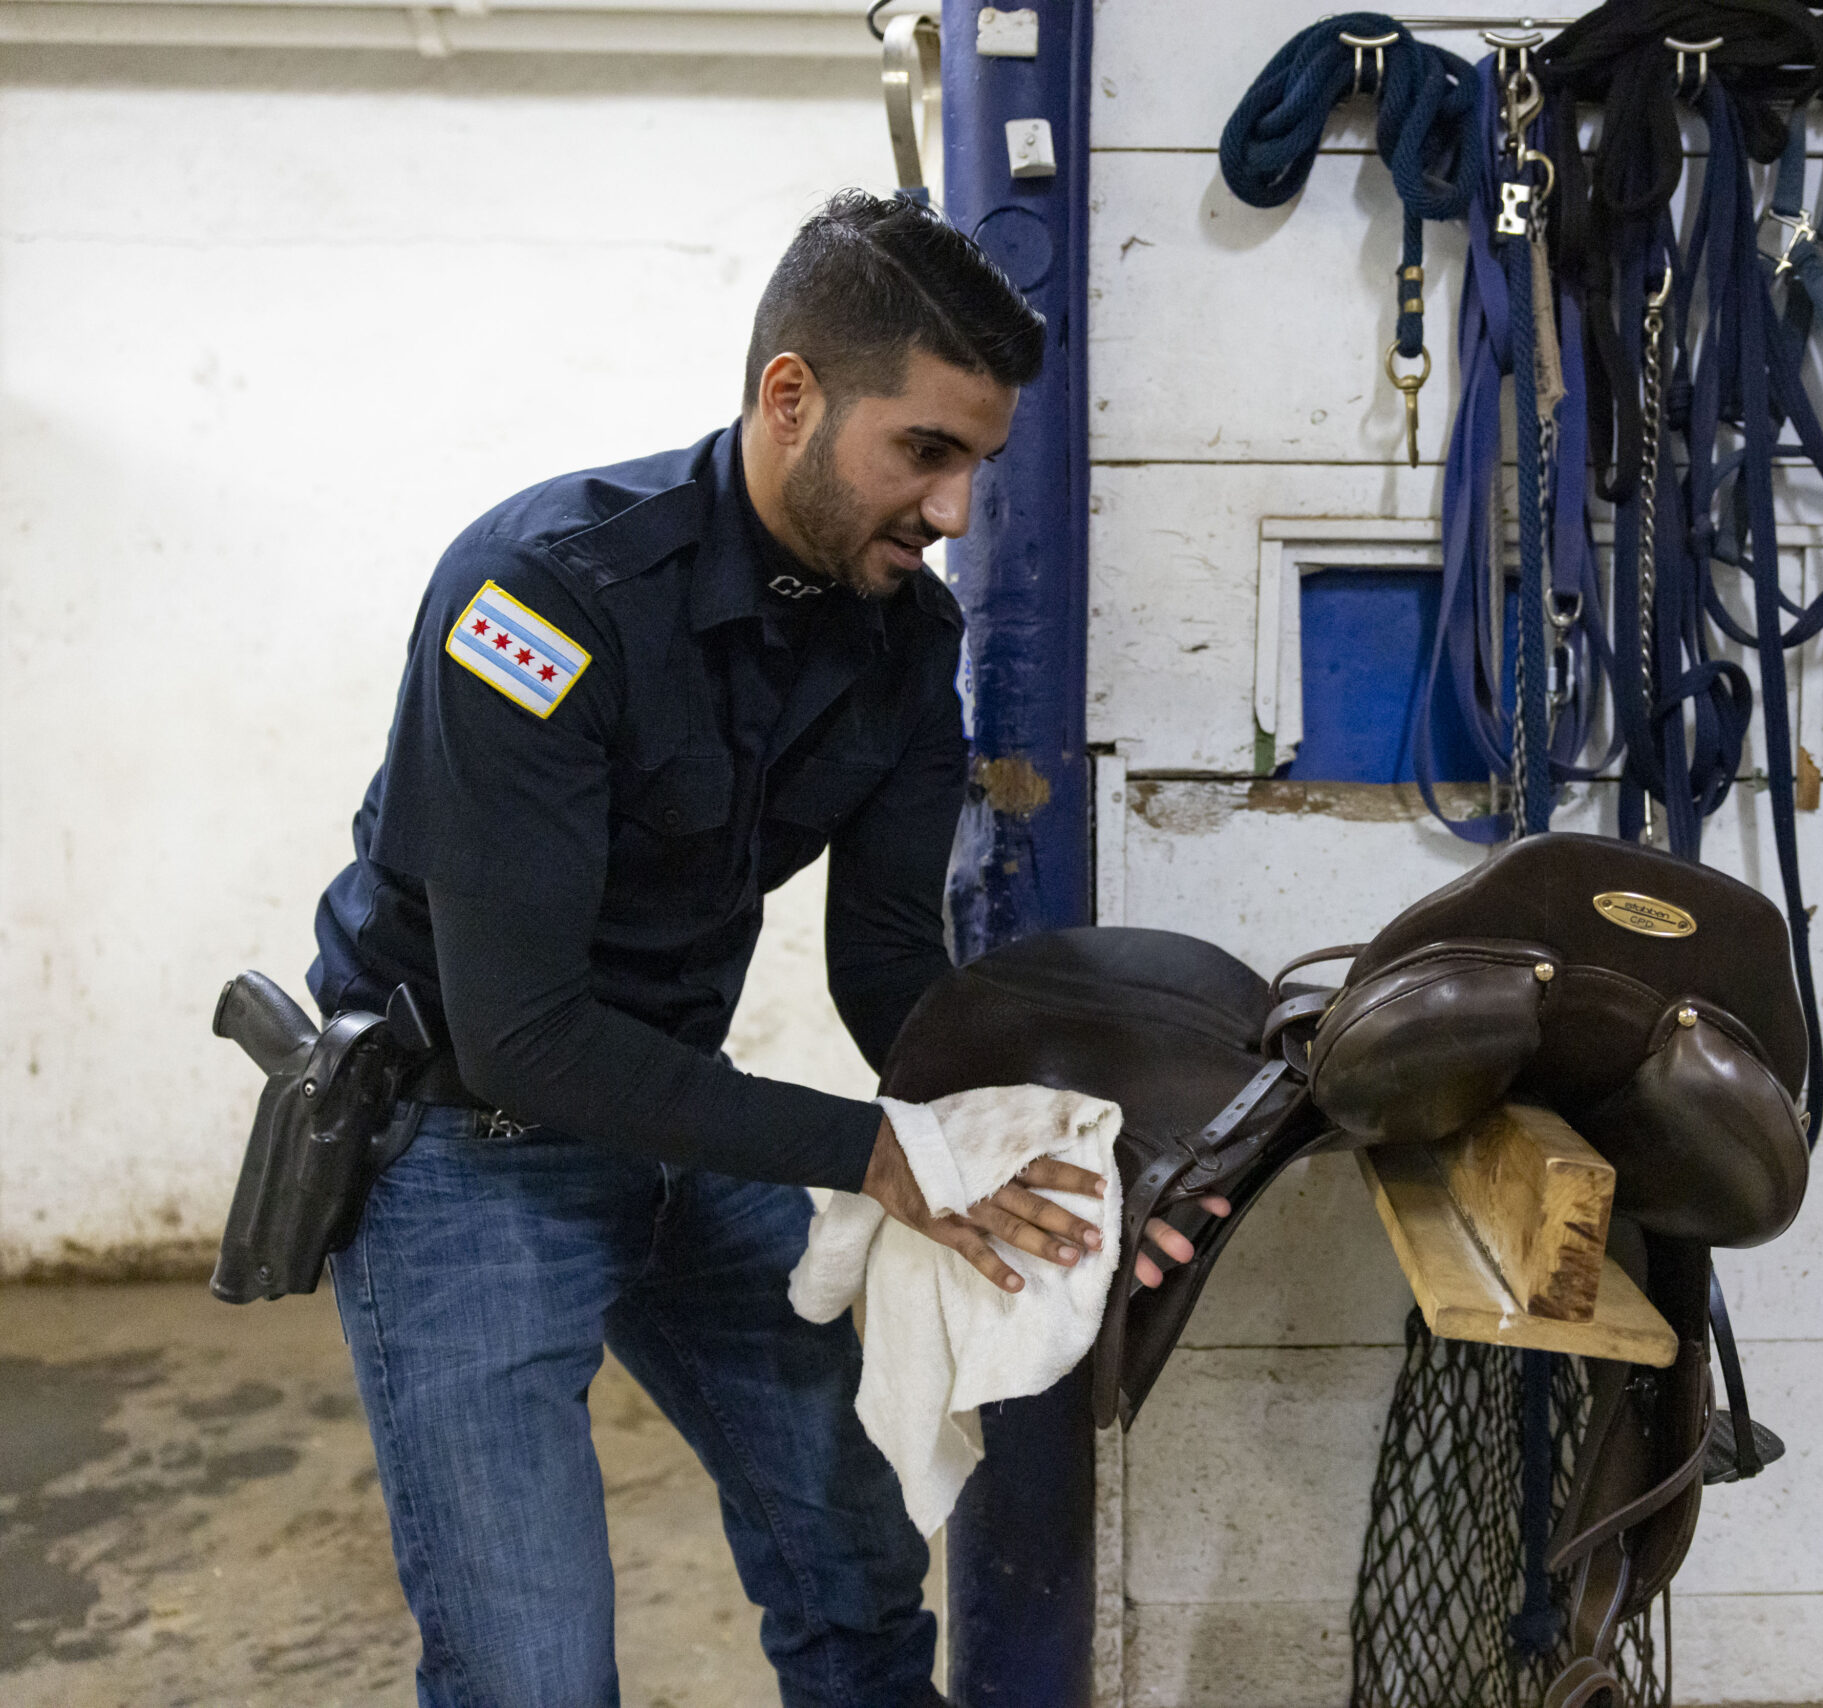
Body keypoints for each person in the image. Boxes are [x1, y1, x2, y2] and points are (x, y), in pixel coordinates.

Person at [308, 189, 1215, 1708]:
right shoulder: (543, 600)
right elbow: (524, 1032)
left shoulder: (905, 642)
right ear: (791, 395)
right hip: (462, 1138)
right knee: (530, 1675)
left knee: (853, 1571)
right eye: (924, 453)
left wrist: (1058, 1153)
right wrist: (882, 1155)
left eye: (977, 464)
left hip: (670, 1105)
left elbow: (881, 964)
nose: (953, 515)